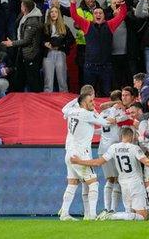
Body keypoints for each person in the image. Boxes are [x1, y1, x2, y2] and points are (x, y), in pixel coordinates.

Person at [71, 127, 149, 221]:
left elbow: (98, 162)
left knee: (129, 214)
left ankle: (111, 215)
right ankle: (110, 216)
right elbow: (147, 162)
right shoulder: (134, 148)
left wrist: (79, 161)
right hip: (136, 184)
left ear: (120, 136)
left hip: (123, 184)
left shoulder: (113, 148)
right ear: (132, 136)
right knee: (143, 216)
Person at [69, 0, 127, 97]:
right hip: (89, 67)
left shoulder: (110, 25)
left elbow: (122, 15)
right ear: (93, 16)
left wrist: (122, 2)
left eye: (100, 13)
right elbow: (74, 15)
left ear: (104, 16)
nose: (98, 14)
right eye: (96, 13)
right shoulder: (87, 25)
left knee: (106, 94)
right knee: (88, 95)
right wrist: (73, 2)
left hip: (106, 67)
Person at [59, 93, 105, 221]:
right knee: (94, 183)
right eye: (91, 101)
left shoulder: (72, 111)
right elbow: (104, 123)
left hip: (69, 151)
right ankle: (92, 215)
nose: (93, 103)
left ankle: (64, 213)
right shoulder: (87, 114)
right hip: (80, 153)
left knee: (72, 183)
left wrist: (77, 99)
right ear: (84, 103)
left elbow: (64, 109)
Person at [1, 0, 43, 93]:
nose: (20, 7)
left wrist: (12, 43)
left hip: (30, 54)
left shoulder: (32, 21)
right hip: (23, 53)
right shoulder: (25, 16)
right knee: (20, 78)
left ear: (24, 8)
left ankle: (37, 100)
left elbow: (27, 40)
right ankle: (19, 100)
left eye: (21, 5)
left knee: (33, 81)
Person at [42, 4, 75, 92]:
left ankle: (64, 101)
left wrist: (61, 46)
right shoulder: (44, 27)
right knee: (48, 81)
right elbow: (39, 40)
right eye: (51, 12)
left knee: (62, 81)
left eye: (56, 12)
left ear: (58, 14)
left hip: (60, 53)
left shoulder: (64, 27)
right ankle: (46, 102)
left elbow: (71, 40)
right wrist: (44, 43)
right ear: (49, 14)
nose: (53, 14)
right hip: (48, 54)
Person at [74, 0, 98, 86]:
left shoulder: (99, 9)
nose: (90, 0)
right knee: (82, 69)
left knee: (95, 68)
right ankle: (82, 91)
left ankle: (95, 90)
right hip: (82, 44)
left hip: (96, 44)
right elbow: (78, 24)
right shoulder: (79, 10)